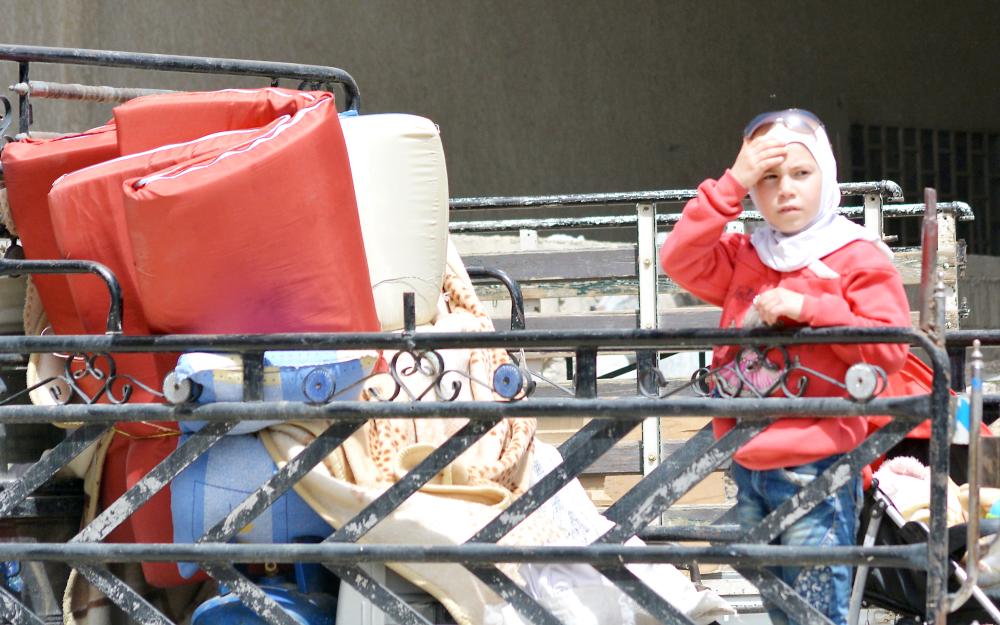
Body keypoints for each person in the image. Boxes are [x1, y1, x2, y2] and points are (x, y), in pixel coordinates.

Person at [659, 109, 911, 625]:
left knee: (816, 608)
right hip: (746, 459)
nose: (785, 191)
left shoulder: (856, 254)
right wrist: (731, 182)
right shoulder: (749, 253)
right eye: (767, 179)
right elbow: (679, 258)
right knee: (777, 604)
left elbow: (891, 351)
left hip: (818, 464)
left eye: (801, 174)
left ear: (828, 175)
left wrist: (811, 309)